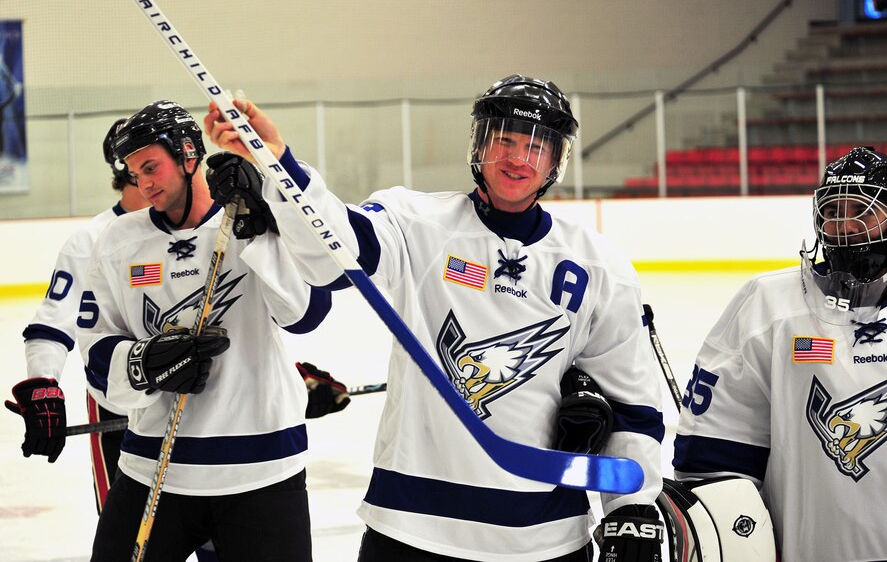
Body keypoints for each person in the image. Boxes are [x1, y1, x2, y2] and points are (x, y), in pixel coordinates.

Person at [205, 75, 665, 562]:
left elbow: (631, 402)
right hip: (410, 528)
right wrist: (278, 162)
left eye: (536, 146)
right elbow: (332, 252)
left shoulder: (600, 267)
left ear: (555, 160)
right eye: (504, 139)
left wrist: (630, 509)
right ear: (479, 144)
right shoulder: (415, 223)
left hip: (545, 538)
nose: (517, 157)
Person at [79, 100, 334, 561]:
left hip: (263, 464)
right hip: (154, 464)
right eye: (136, 173)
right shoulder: (119, 241)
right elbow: (96, 353)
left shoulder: (251, 218)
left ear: (188, 153)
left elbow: (307, 314)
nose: (145, 184)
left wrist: (261, 229)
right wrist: (142, 365)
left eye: (152, 166)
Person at [672, 146, 887, 561]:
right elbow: (711, 448)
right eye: (834, 211)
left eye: (862, 211)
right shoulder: (769, 303)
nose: (845, 226)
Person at [4, 120, 150, 513]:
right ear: (126, 170)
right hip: (118, 408)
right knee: (128, 540)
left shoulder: (194, 229)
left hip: (200, 409)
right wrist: (43, 382)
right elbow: (53, 322)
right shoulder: (90, 240)